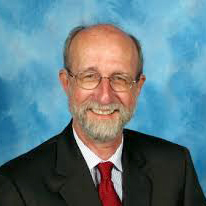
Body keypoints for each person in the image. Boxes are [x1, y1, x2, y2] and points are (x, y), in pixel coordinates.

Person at [0, 24, 205, 206]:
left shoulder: (176, 166)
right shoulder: (17, 184)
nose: (105, 97)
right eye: (89, 77)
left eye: (120, 78)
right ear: (66, 83)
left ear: (138, 87)